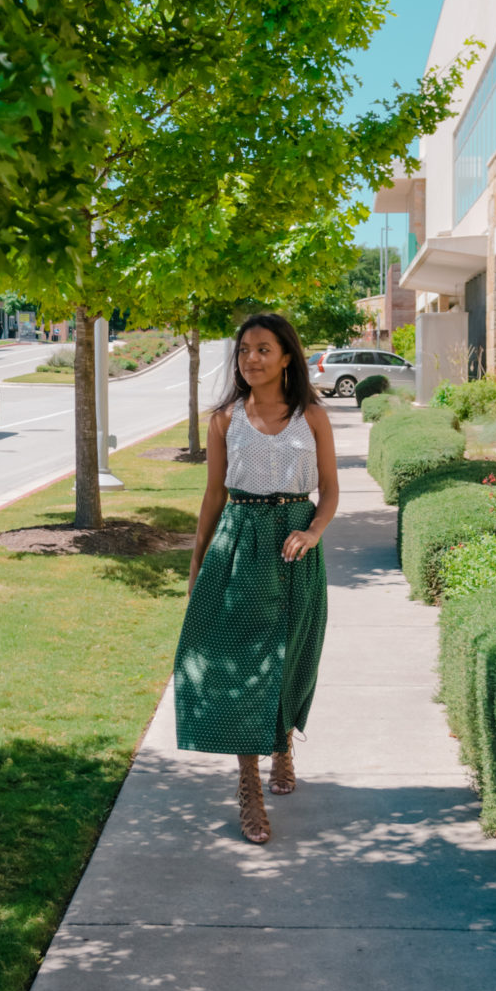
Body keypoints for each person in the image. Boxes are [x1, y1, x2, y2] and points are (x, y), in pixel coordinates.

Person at [173, 313, 338, 845]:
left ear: (287, 356)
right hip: (240, 544)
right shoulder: (224, 418)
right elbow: (213, 497)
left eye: (264, 349)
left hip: (294, 544)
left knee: (292, 652)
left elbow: (331, 490)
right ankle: (248, 783)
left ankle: (283, 744)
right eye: (245, 349)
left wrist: (312, 531)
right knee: (244, 659)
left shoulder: (311, 415)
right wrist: (198, 565)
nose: (251, 358)